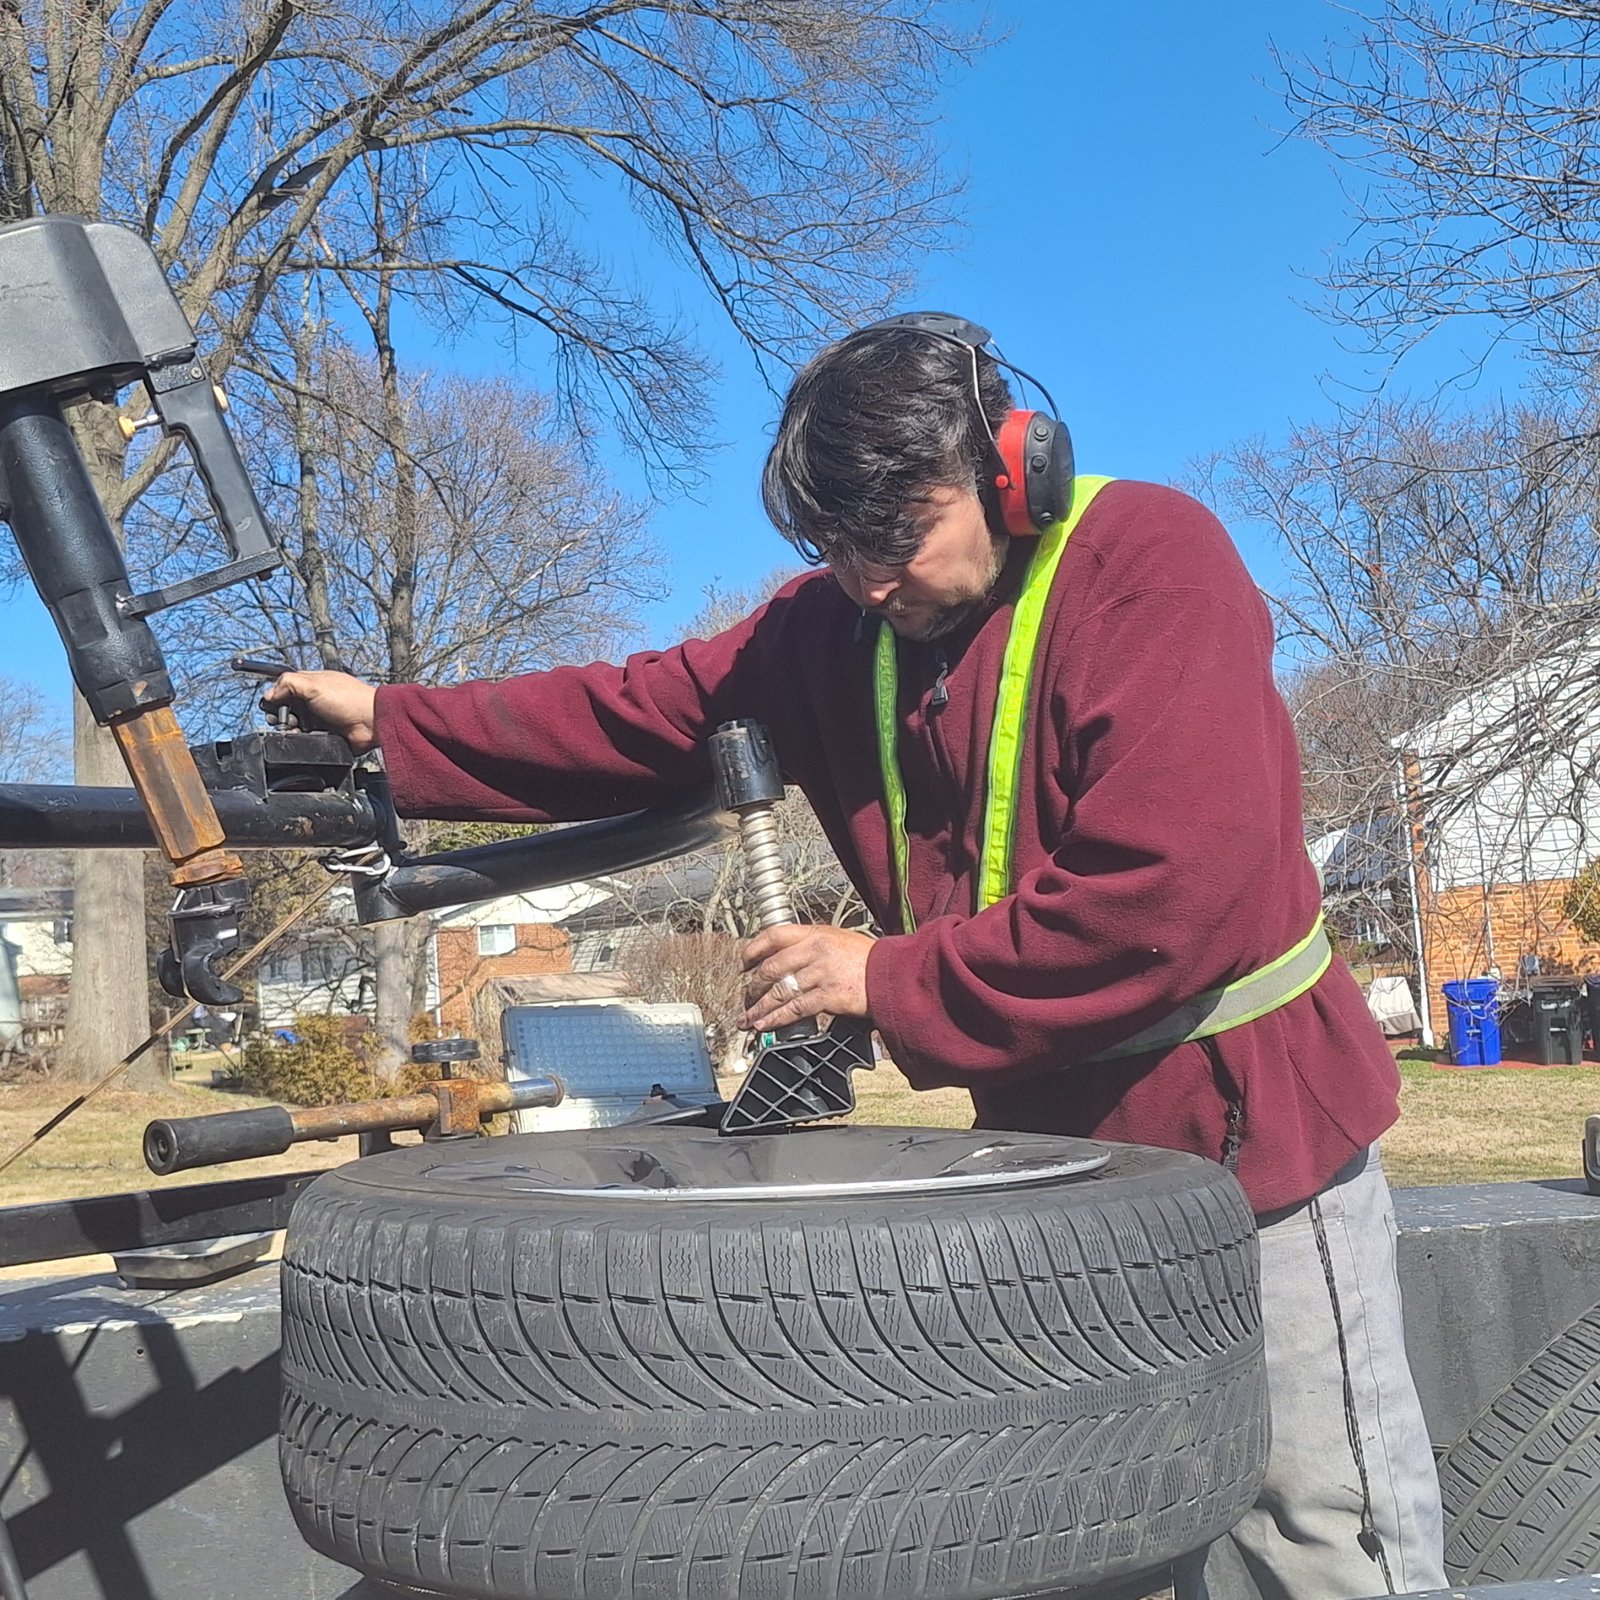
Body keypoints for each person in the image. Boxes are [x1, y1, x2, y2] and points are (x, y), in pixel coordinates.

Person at [266, 316, 1446, 1600]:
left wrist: (879, 979)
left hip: (1245, 1135)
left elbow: (1171, 895)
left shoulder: (1155, 565)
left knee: (1315, 1516)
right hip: (1040, 1170)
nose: (867, 580)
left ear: (1010, 469)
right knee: (1089, 1518)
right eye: (833, 549)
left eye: (895, 537)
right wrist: (391, 718)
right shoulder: (834, 620)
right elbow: (643, 706)